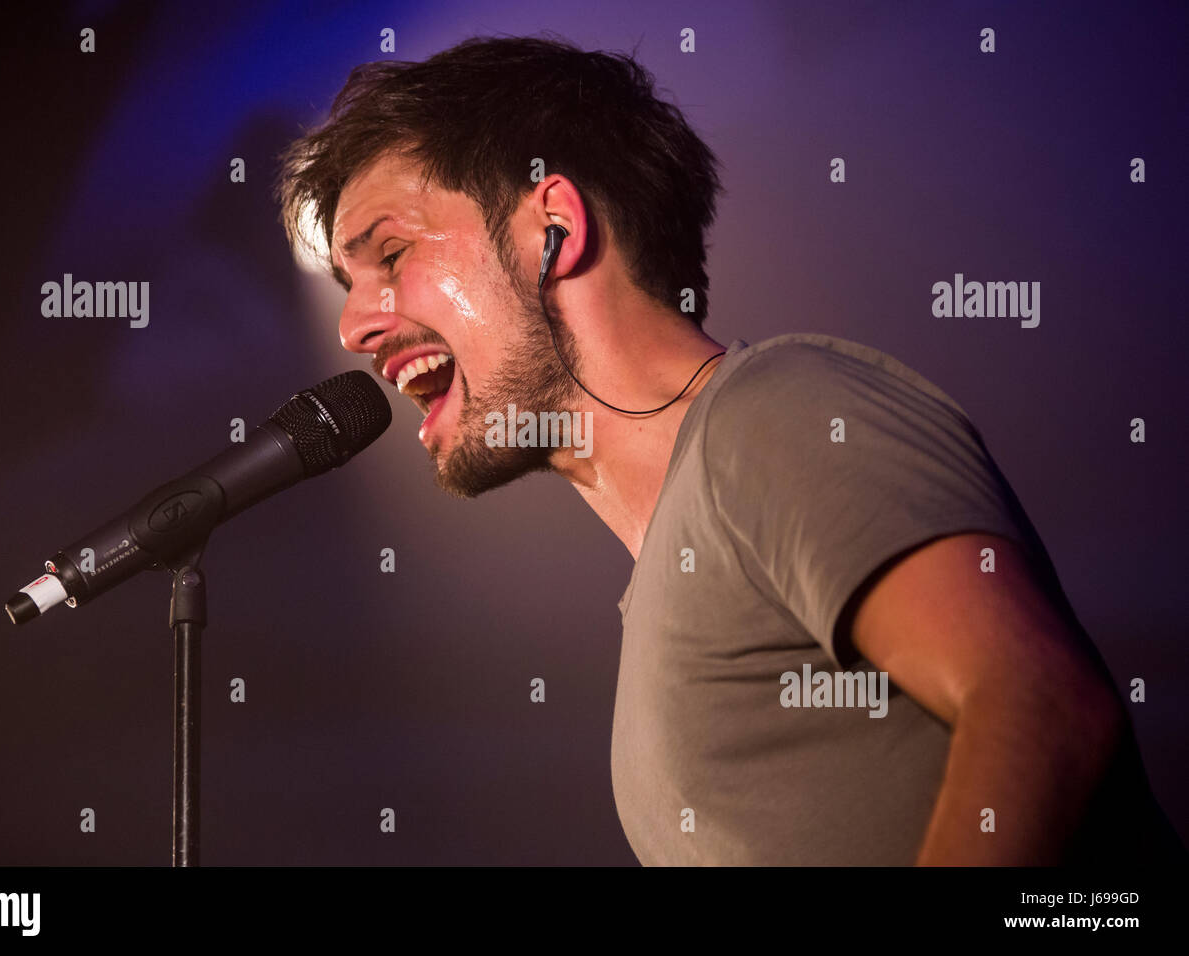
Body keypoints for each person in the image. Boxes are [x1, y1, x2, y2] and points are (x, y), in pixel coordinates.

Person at [275, 35, 1183, 864]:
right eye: (349, 283)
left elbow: (1042, 707)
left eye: (390, 254)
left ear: (552, 225)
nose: (356, 324)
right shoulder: (672, 558)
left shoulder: (777, 411)